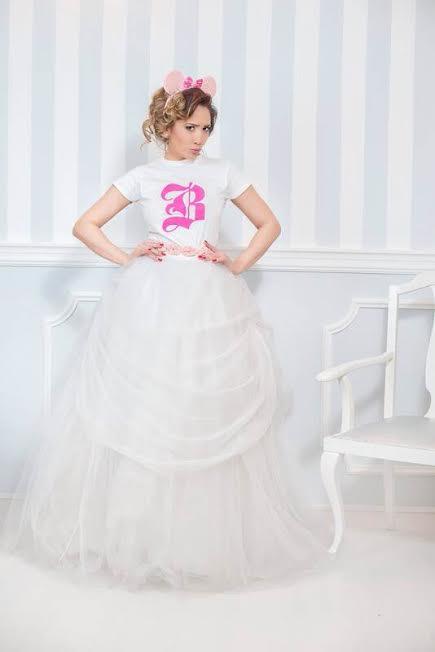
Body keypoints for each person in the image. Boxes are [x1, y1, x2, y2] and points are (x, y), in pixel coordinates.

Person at [0, 70, 332, 592]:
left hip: (208, 295)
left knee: (201, 405)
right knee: (151, 407)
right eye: (191, 128)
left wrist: (237, 263)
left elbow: (269, 223)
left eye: (206, 129)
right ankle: (139, 539)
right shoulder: (143, 177)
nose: (200, 139)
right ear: (168, 125)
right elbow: (85, 225)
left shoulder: (223, 173)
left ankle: (199, 543)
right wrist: (125, 256)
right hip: (151, 297)